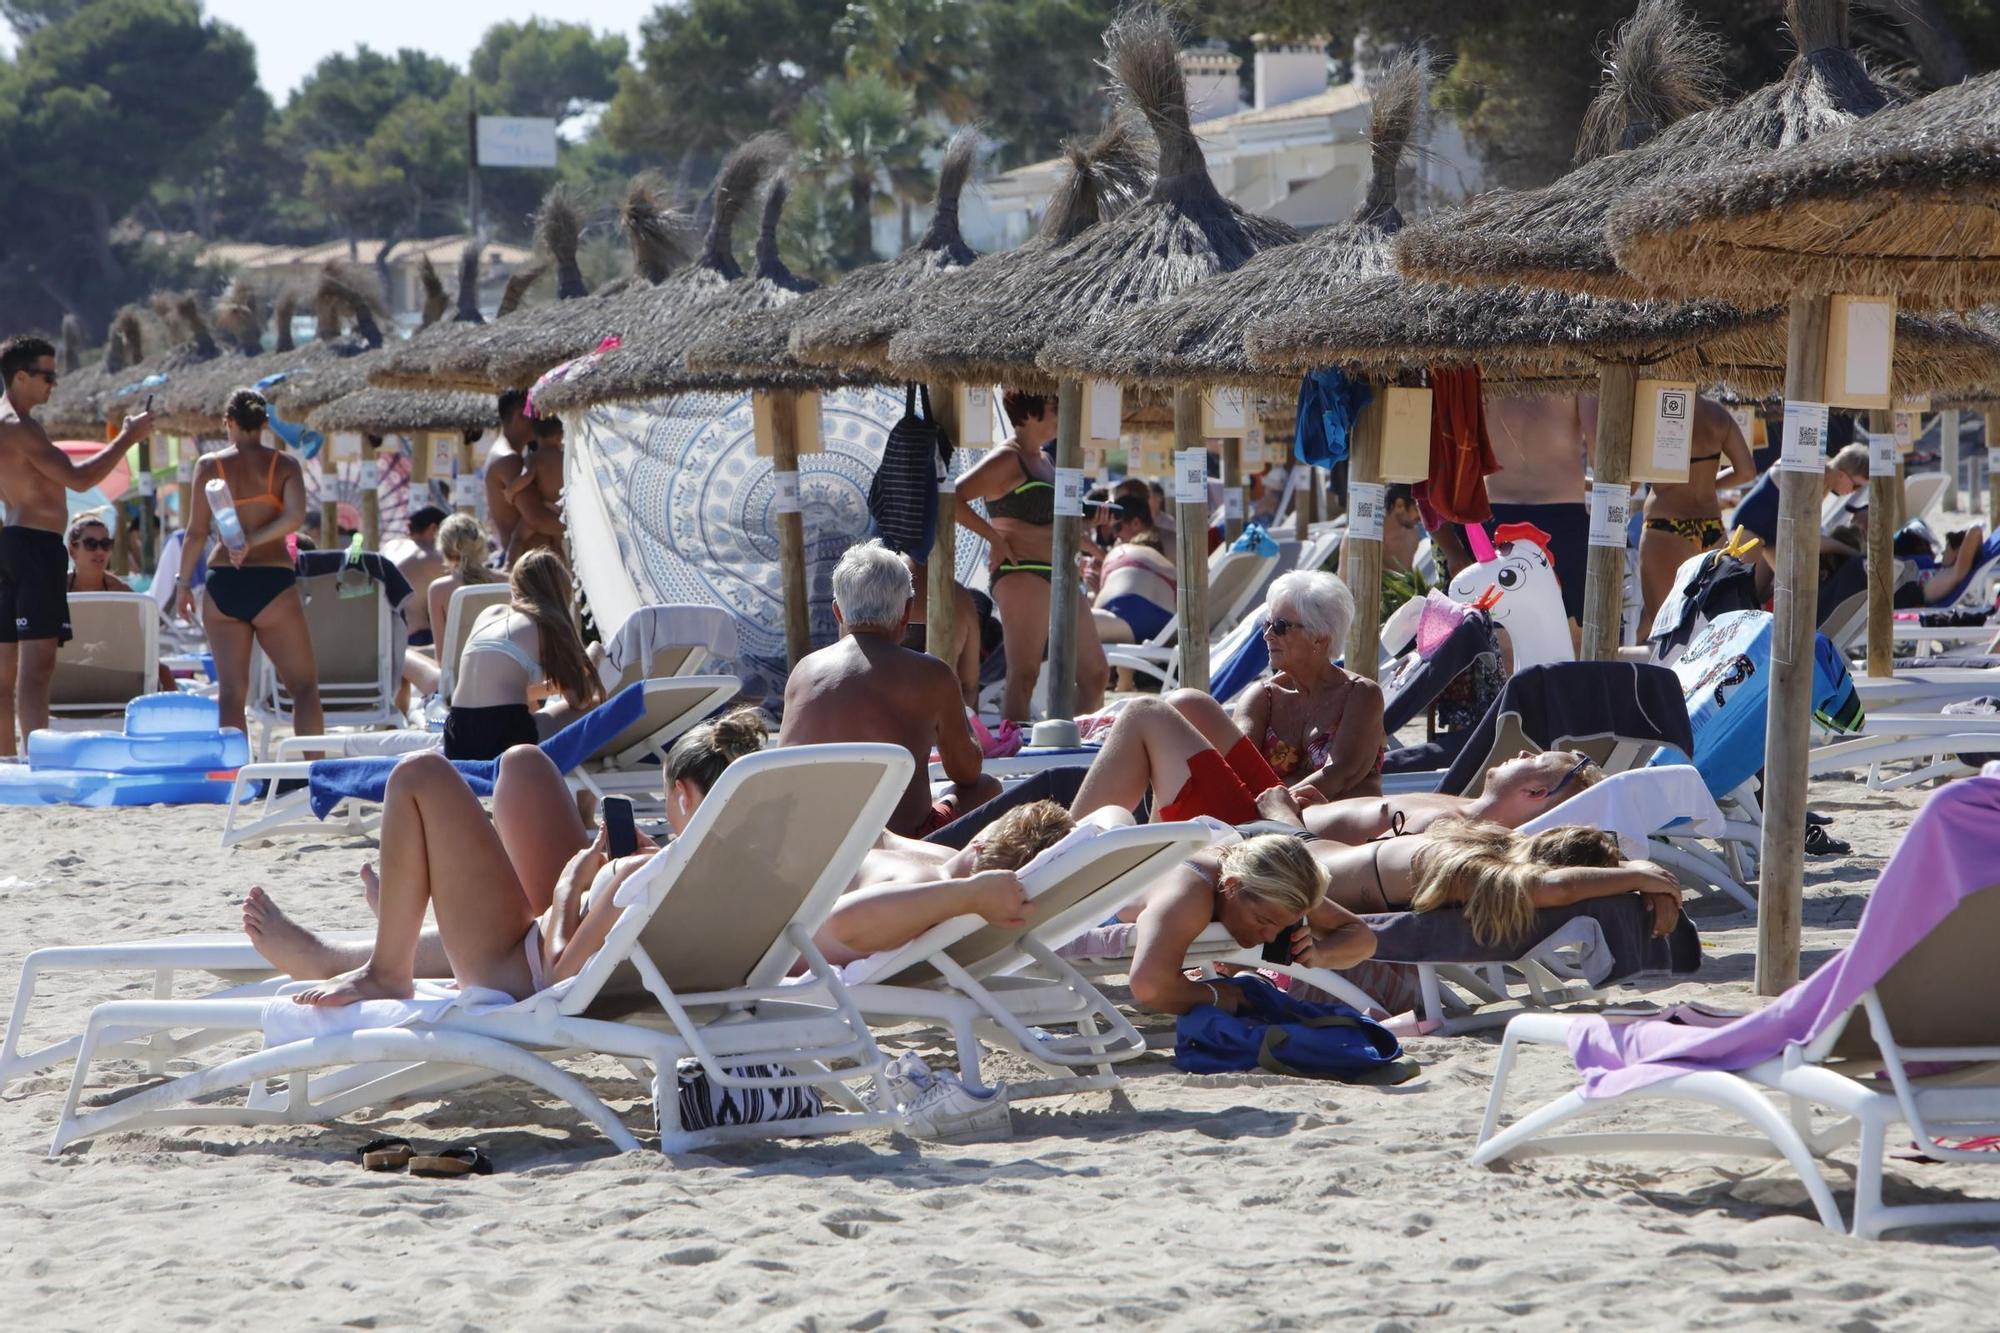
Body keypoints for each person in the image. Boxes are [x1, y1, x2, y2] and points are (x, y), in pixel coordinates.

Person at [246, 707, 769, 1000]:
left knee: (415, 775)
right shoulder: (754, 872)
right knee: (525, 764)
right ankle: (409, 920)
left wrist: (571, 881)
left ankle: (386, 965)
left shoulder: (646, 869)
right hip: (560, 947)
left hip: (513, 968)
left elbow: (562, 974)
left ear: (681, 793)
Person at [779, 539, 999, 837]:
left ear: (838, 613)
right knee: (986, 787)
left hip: (816, 843)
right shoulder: (932, 674)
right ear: (907, 611)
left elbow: (782, 775)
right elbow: (967, 772)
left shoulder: (804, 672)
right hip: (906, 843)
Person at [0, 334, 154, 754]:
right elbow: (81, 479)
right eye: (47, 375)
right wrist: (128, 437)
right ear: (20, 376)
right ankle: (35, 760)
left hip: (12, 542)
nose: (54, 383)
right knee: (36, 668)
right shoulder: (21, 427)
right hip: (34, 547)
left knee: (5, 671)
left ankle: (6, 762)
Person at [951, 390, 1108, 721]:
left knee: (1096, 677)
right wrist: (993, 538)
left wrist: (1094, 537)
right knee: (1024, 677)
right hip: (1022, 572)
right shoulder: (1008, 458)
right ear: (1030, 413)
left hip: (1061, 572)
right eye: (1054, 408)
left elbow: (1056, 524)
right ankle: (1017, 755)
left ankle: (1058, 741)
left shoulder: (1046, 460)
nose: (1060, 416)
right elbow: (953, 498)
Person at [175, 389, 320, 743]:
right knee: (302, 688)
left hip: (224, 580)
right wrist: (254, 541)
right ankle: (314, 773)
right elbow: (294, 517)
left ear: (229, 423)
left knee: (230, 693)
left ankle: (234, 776)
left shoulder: (210, 466)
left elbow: (195, 533)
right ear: (266, 423)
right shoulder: (284, 465)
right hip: (272, 580)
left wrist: (182, 584)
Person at [1309, 817, 1683, 945]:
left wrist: (1645, 879)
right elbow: (1561, 888)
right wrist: (1636, 875)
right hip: (1281, 868)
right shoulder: (1476, 870)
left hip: (1305, 851)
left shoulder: (1493, 847)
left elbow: (1566, 881)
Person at [1121, 833, 1375, 1015]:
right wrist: (1224, 996)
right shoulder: (1187, 897)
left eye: (1283, 925)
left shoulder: (1271, 888)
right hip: (1091, 909)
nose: (1271, 937)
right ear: (1231, 887)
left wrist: (1321, 954)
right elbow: (1149, 986)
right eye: (1263, 921)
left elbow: (1363, 938)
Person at [813, 798, 1087, 967]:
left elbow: (841, 920)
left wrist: (969, 895)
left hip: (780, 939)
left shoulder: (929, 885)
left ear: (981, 843)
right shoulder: (942, 861)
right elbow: (881, 836)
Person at [1232, 570, 1385, 803]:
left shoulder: (1361, 695)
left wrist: (1274, 805)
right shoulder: (1262, 698)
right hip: (1269, 823)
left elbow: (1339, 774)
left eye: (1281, 626)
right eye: (1267, 624)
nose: (1267, 635)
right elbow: (1235, 769)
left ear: (1320, 637)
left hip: (1344, 825)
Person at [444, 548, 600, 761]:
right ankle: (586, 791)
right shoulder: (547, 622)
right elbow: (579, 699)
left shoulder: (489, 614)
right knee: (595, 706)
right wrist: (594, 655)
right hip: (506, 739)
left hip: (456, 736)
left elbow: (499, 692)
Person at [1302, 748, 1604, 843]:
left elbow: (1355, 869)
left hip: (1278, 848)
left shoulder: (1444, 827)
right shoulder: (1461, 808)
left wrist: (1284, 818)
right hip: (1287, 823)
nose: (1524, 751)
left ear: (1536, 792)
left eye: (1535, 759)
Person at [1638, 397, 1756, 633]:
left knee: (1664, 626)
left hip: (1667, 527)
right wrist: (1708, 482)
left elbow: (1629, 485)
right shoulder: (1717, 413)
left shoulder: (1653, 408)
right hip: (1711, 527)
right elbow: (1747, 472)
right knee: (1712, 626)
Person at [1485, 393, 1590, 635]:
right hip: (1561, 510)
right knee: (1571, 631)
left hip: (1498, 510)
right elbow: (1601, 444)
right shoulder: (1575, 369)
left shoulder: (1487, 369)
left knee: (1502, 631)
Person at [1730, 441, 1868, 589]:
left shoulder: (1824, 480)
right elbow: (1808, 537)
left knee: (1792, 590)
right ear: (1842, 475)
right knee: (1743, 592)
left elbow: (1806, 534)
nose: (1855, 492)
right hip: (1749, 527)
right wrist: (1852, 552)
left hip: (1772, 535)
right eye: (1856, 486)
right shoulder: (1813, 472)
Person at [67, 512, 176, 693]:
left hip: (110, 670)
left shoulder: (122, 593)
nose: (100, 551)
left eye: (105, 544)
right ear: (72, 551)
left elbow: (136, 646)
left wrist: (101, 651)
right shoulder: (55, 591)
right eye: (91, 544)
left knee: (163, 672)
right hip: (67, 670)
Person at [1089, 493, 1176, 645]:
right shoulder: (1175, 542)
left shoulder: (1121, 551)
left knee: (1059, 625)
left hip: (1127, 612)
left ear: (1136, 523)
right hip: (1169, 625)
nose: (1115, 535)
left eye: (1117, 527)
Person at [425, 513, 504, 650]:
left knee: (409, 656)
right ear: (480, 544)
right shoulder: (507, 581)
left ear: (444, 550)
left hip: (461, 670)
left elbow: (442, 657)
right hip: (505, 666)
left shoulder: (438, 590)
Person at [503, 412, 567, 564]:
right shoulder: (565, 457)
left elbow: (527, 476)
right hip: (561, 508)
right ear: (561, 435)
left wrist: (510, 491)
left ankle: (509, 566)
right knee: (557, 545)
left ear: (536, 435)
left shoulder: (535, 457)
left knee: (517, 538)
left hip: (544, 507)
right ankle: (564, 572)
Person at [1336, 483, 1423, 592]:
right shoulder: (1357, 535)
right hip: (1361, 601)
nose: (1422, 516)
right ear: (1399, 505)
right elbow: (1343, 582)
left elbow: (1408, 583)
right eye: (1417, 509)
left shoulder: (1411, 536)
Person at [483, 389, 534, 561]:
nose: (542, 421)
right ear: (521, 415)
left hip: (521, 559)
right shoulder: (509, 459)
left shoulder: (505, 454)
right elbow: (535, 517)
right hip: (523, 564)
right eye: (538, 414)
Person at [392, 505, 450, 649]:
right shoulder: (431, 557)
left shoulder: (391, 546)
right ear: (433, 529)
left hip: (388, 635)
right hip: (418, 638)